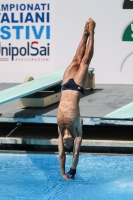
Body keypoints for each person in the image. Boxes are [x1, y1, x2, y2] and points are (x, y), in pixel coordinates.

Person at [57, 18, 95, 180]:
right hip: (76, 89)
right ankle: (92, 31)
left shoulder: (60, 132)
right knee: (85, 62)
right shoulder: (77, 132)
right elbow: (76, 153)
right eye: (68, 147)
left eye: (66, 146)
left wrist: (62, 173)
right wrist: (72, 170)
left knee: (75, 59)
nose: (66, 146)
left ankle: (84, 33)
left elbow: (60, 155)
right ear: (73, 142)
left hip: (65, 87)